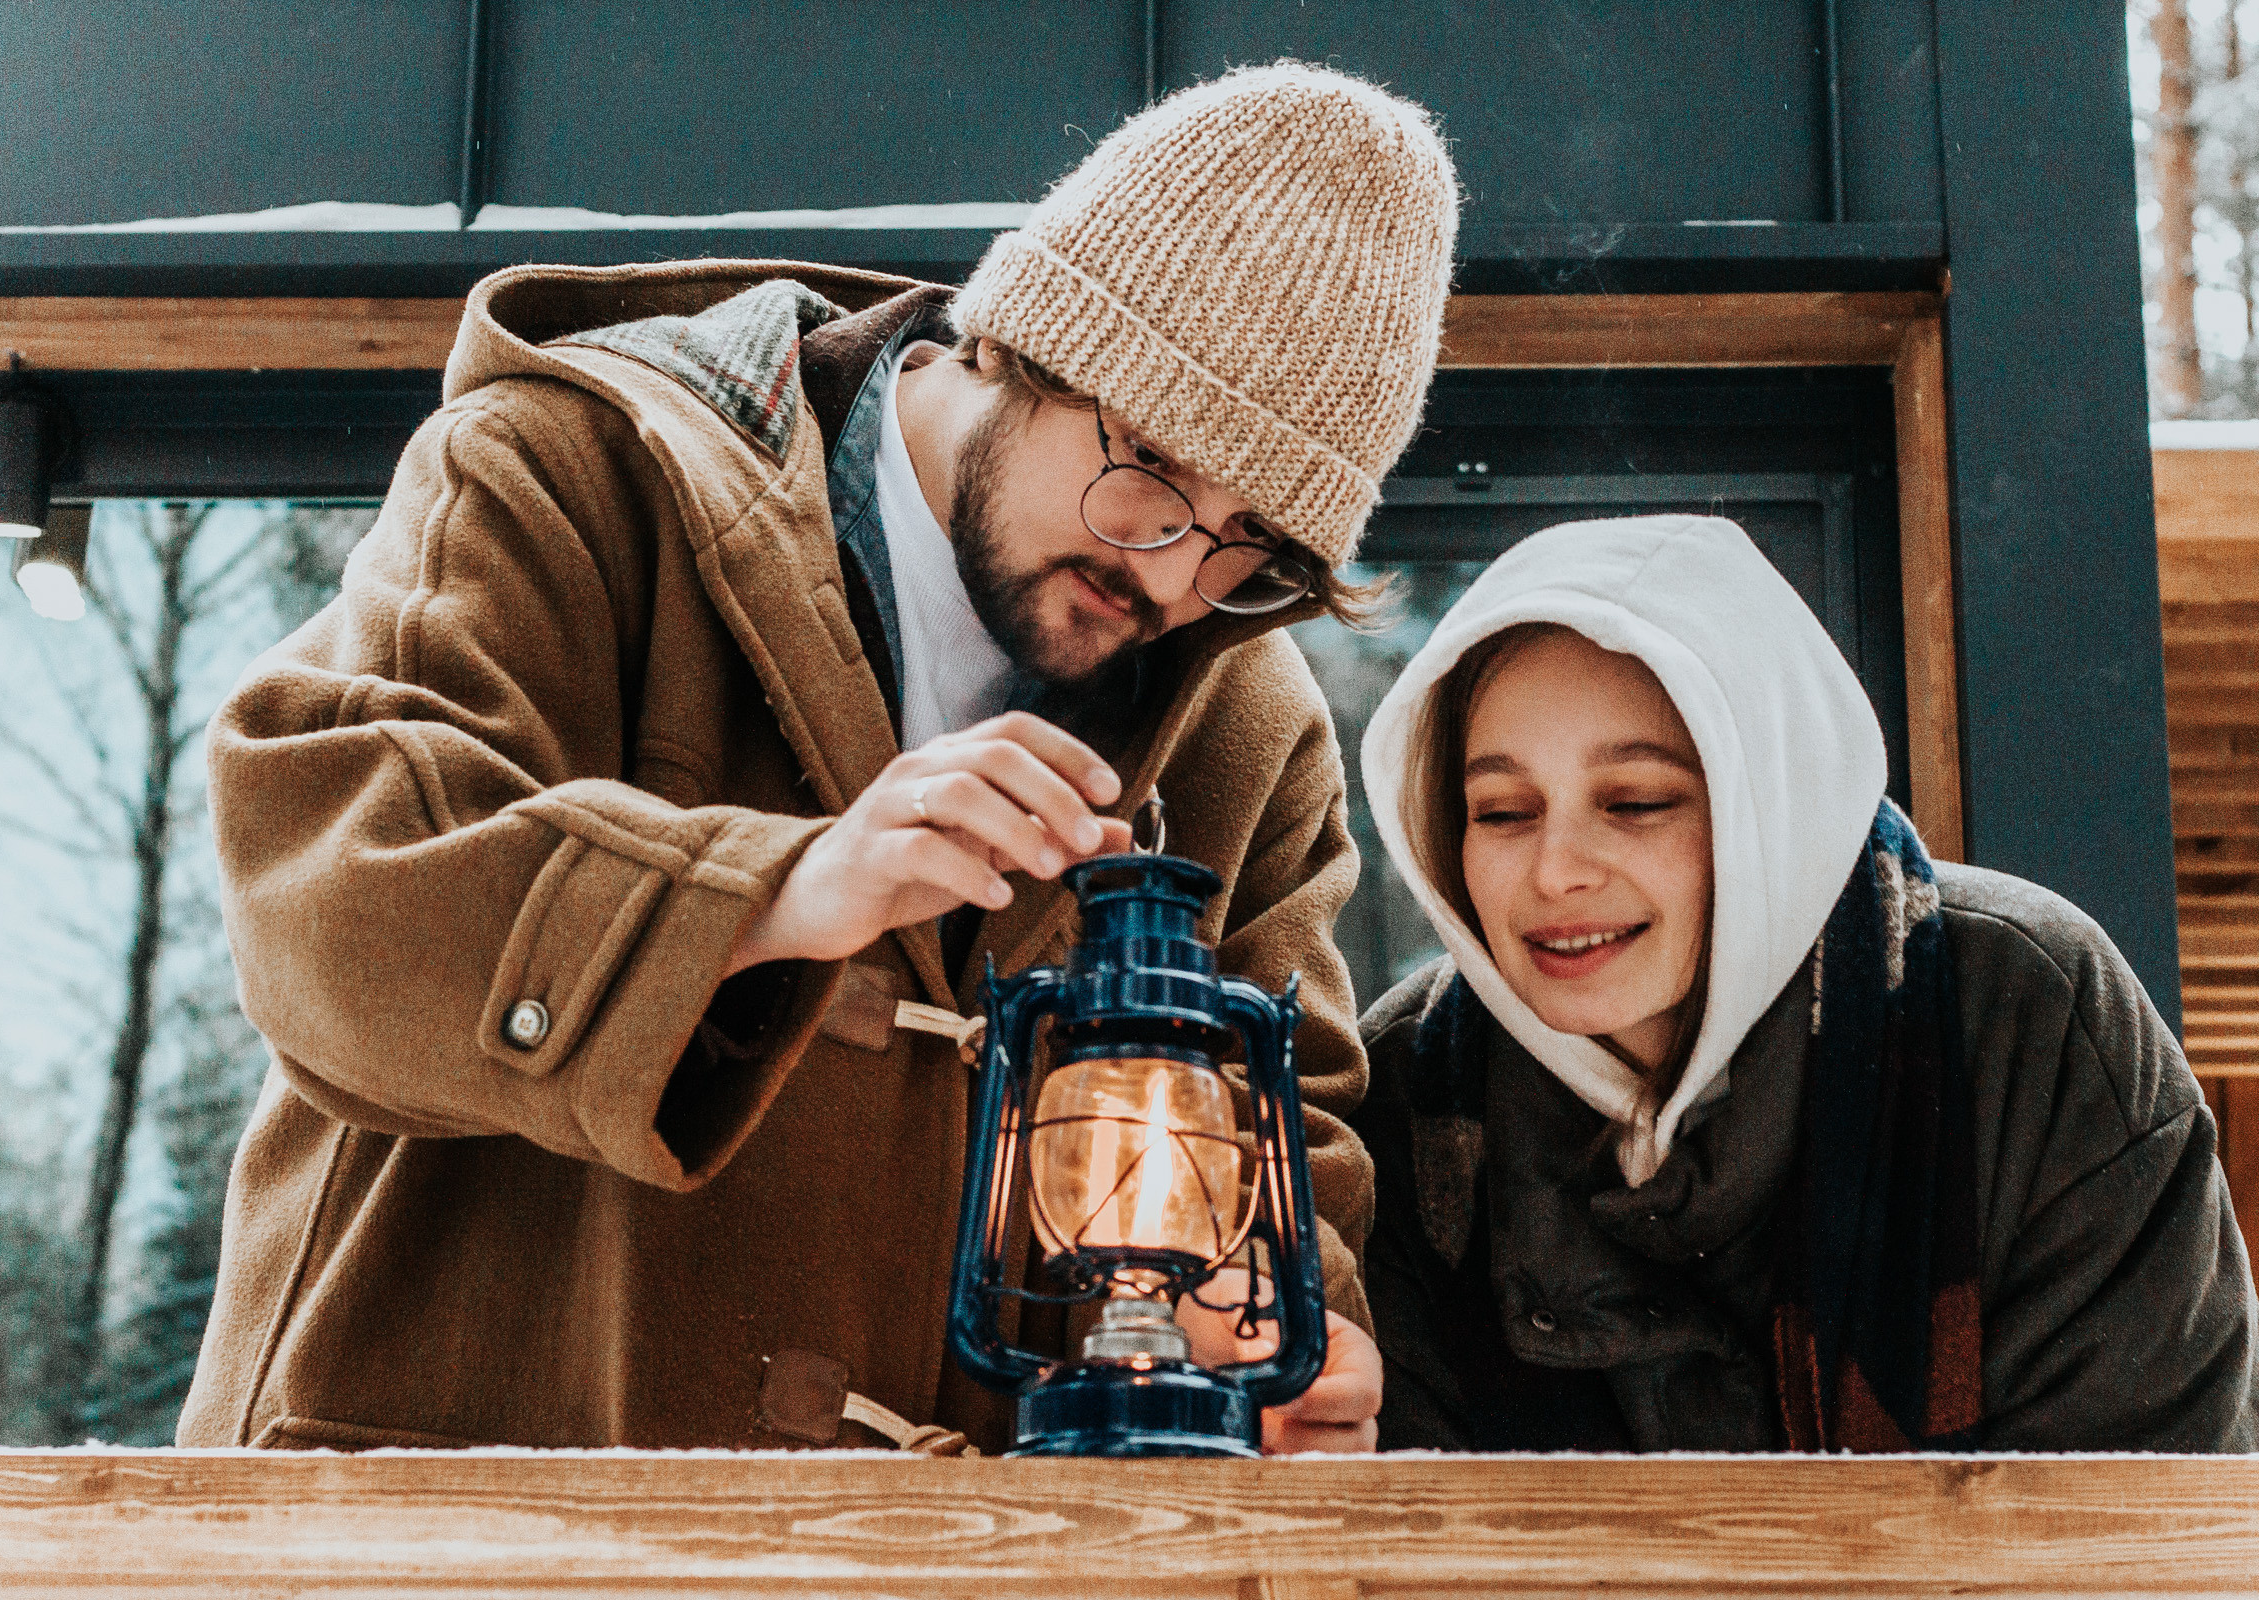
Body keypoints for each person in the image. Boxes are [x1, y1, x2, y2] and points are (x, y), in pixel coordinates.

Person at [177, 64, 1459, 1455]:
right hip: (456, 1539)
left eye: (1251, 544)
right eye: (1150, 466)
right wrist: (775, 893)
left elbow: (1293, 1123)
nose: (1170, 574)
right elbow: (330, 906)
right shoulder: (570, 473)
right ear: (1022, 343)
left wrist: (1292, 1339)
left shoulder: (1241, 718)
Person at [1352, 512, 2258, 1451]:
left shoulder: (2032, 1021)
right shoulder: (1406, 1096)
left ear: (1770, 804)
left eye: (1637, 802)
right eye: (1501, 811)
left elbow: (2151, 1529)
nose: (1554, 872)